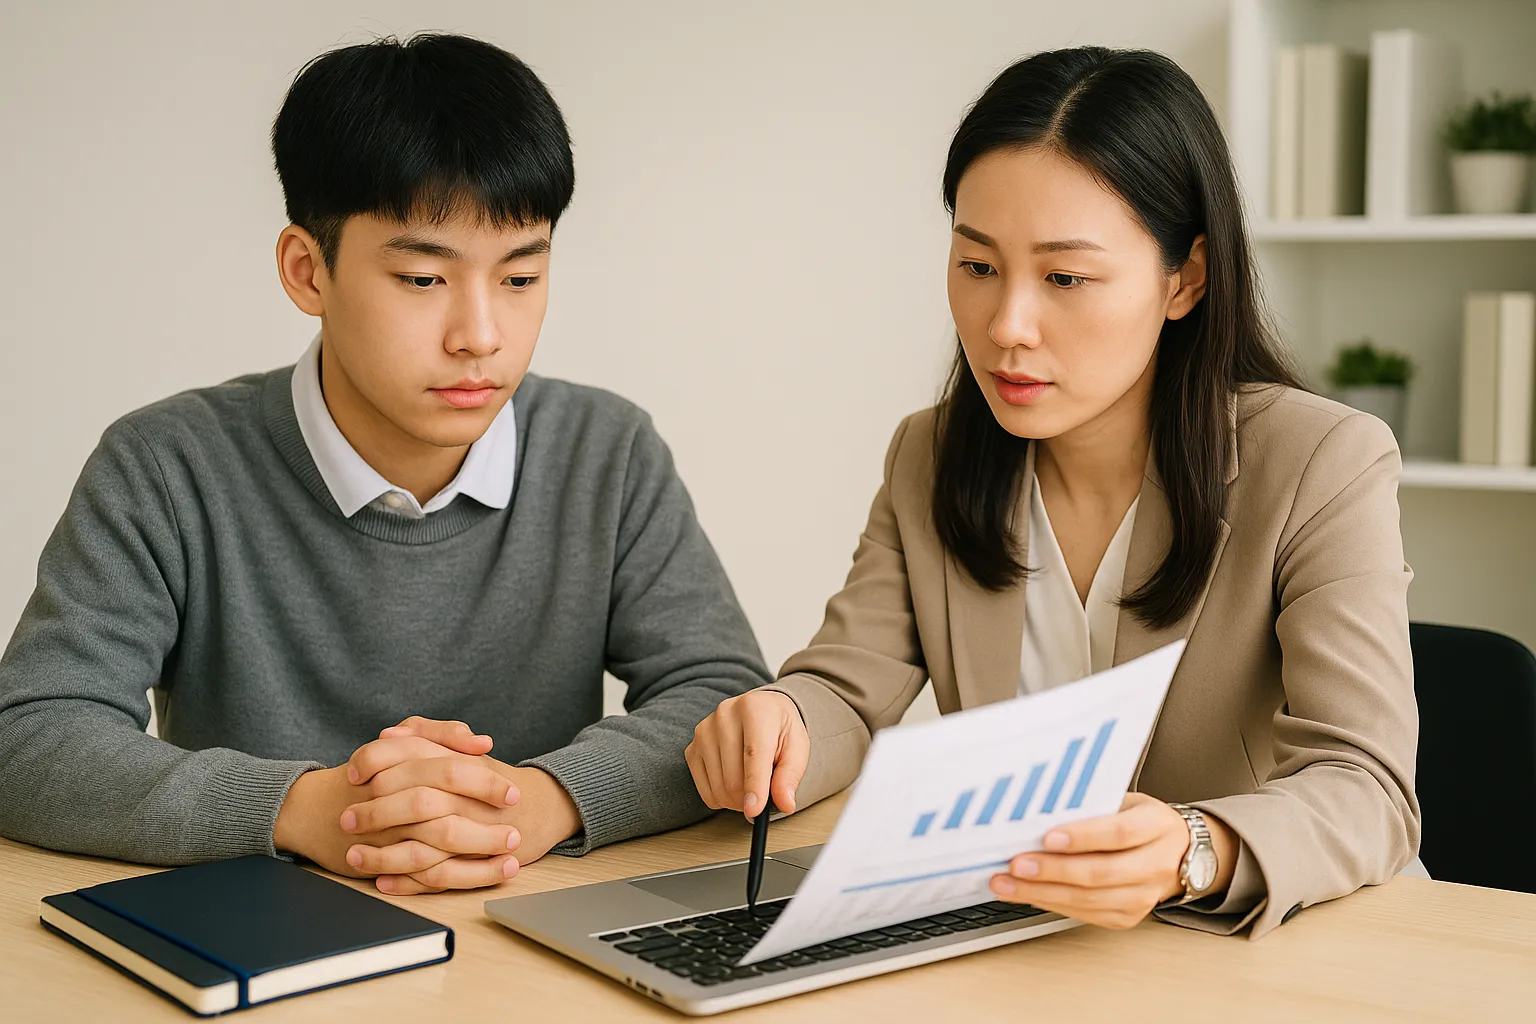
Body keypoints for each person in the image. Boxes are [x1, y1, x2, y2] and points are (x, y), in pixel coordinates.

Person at [0, 33, 771, 895]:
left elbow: (724, 698)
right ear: (307, 271)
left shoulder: (608, 451)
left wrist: (542, 799)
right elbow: (31, 735)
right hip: (259, 944)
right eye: (420, 279)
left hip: (528, 941)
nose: (480, 334)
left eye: (520, 278)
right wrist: (303, 809)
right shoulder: (168, 465)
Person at [685, 46, 1419, 939]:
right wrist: (778, 718)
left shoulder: (1322, 461)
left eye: (1065, 278)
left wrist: (1195, 845)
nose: (1006, 327)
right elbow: (847, 688)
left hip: (1279, 949)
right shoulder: (931, 454)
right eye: (978, 266)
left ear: (1184, 277)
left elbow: (1369, 786)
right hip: (1031, 944)